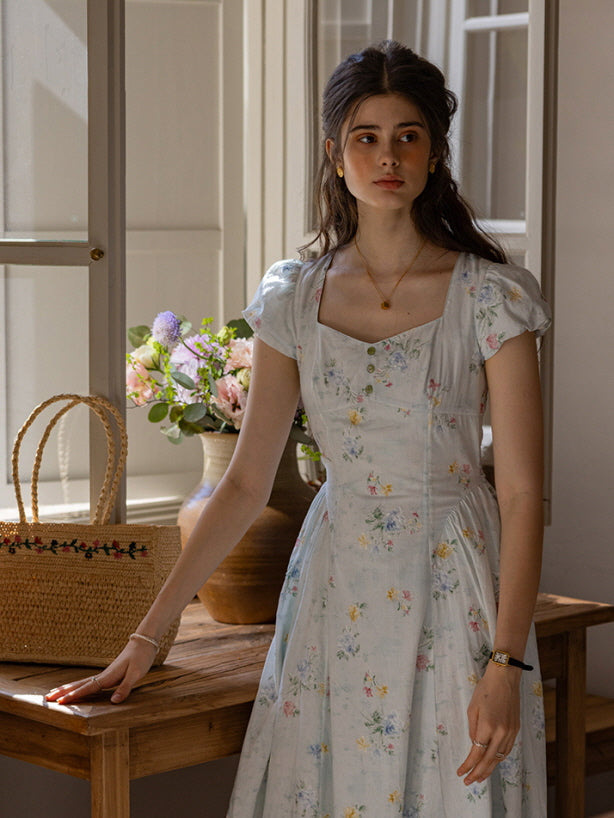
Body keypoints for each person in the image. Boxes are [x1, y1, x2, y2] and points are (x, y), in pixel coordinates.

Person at [47, 41, 551, 816]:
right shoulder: (295, 298)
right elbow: (245, 483)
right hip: (332, 588)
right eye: (366, 136)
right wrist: (148, 638)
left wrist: (507, 664)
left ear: (435, 153)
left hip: (456, 588)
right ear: (335, 154)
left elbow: (519, 493)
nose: (388, 156)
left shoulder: (491, 298)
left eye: (408, 135)